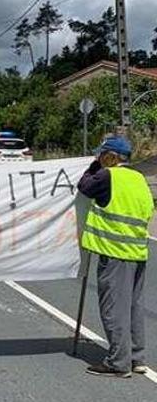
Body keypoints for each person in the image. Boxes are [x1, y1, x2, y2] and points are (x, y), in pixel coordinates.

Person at [78, 136, 154, 378]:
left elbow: (84, 187)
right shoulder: (139, 178)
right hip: (137, 251)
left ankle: (118, 363)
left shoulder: (107, 175)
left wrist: (92, 167)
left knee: (113, 309)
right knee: (133, 307)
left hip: (114, 253)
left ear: (110, 157)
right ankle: (136, 358)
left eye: (101, 155)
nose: (99, 159)